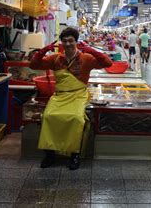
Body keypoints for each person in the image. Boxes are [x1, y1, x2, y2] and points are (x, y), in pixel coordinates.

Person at [29, 27, 112, 170]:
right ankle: (50, 154)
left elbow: (108, 63)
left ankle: (75, 155)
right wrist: (43, 51)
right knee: (48, 117)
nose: (68, 44)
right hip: (60, 96)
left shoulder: (86, 58)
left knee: (76, 119)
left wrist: (90, 50)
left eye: (71, 41)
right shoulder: (55, 59)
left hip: (78, 95)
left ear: (76, 42)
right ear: (61, 43)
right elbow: (33, 65)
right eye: (65, 41)